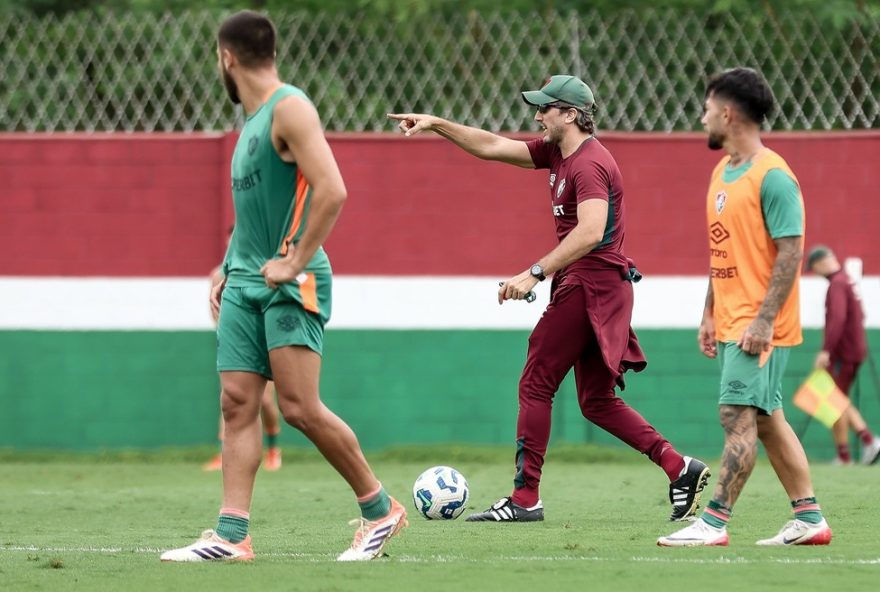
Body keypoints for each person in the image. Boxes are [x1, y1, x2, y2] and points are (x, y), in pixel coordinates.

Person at [389, 75, 710, 524]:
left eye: (546, 108)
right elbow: (491, 146)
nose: (537, 115)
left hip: (592, 284)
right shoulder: (555, 153)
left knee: (536, 381)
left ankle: (524, 499)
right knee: (596, 401)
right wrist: (436, 122)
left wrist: (535, 272)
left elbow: (592, 230)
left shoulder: (589, 164)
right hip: (594, 286)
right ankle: (680, 467)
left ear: (572, 114)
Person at [161, 10, 406, 563]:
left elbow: (332, 189)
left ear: (227, 57)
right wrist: (227, 266)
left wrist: (293, 261)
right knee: (237, 403)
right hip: (245, 281)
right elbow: (253, 217)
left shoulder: (289, 108)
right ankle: (231, 536)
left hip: (293, 283)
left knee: (298, 407)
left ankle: (380, 511)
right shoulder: (248, 128)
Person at [659, 67, 832, 547]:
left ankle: (713, 523)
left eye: (708, 107)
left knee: (735, 413)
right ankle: (810, 517)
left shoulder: (773, 176)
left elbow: (792, 251)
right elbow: (723, 250)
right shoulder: (722, 171)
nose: (702, 116)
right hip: (734, 317)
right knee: (765, 417)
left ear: (728, 113)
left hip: (760, 324)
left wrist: (762, 319)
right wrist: (709, 311)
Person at [203, 248, 283, 473]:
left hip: (267, 340)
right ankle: (224, 454)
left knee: (268, 402)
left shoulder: (268, 267)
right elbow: (215, 310)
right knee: (231, 397)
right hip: (237, 342)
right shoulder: (219, 274)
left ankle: (273, 450)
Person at [807, 245, 880, 465]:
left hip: (843, 354)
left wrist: (826, 350)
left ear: (820, 263)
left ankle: (868, 441)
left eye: (814, 269)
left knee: (832, 398)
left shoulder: (837, 284)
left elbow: (837, 318)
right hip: (854, 350)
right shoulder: (847, 280)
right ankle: (845, 455)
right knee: (833, 399)